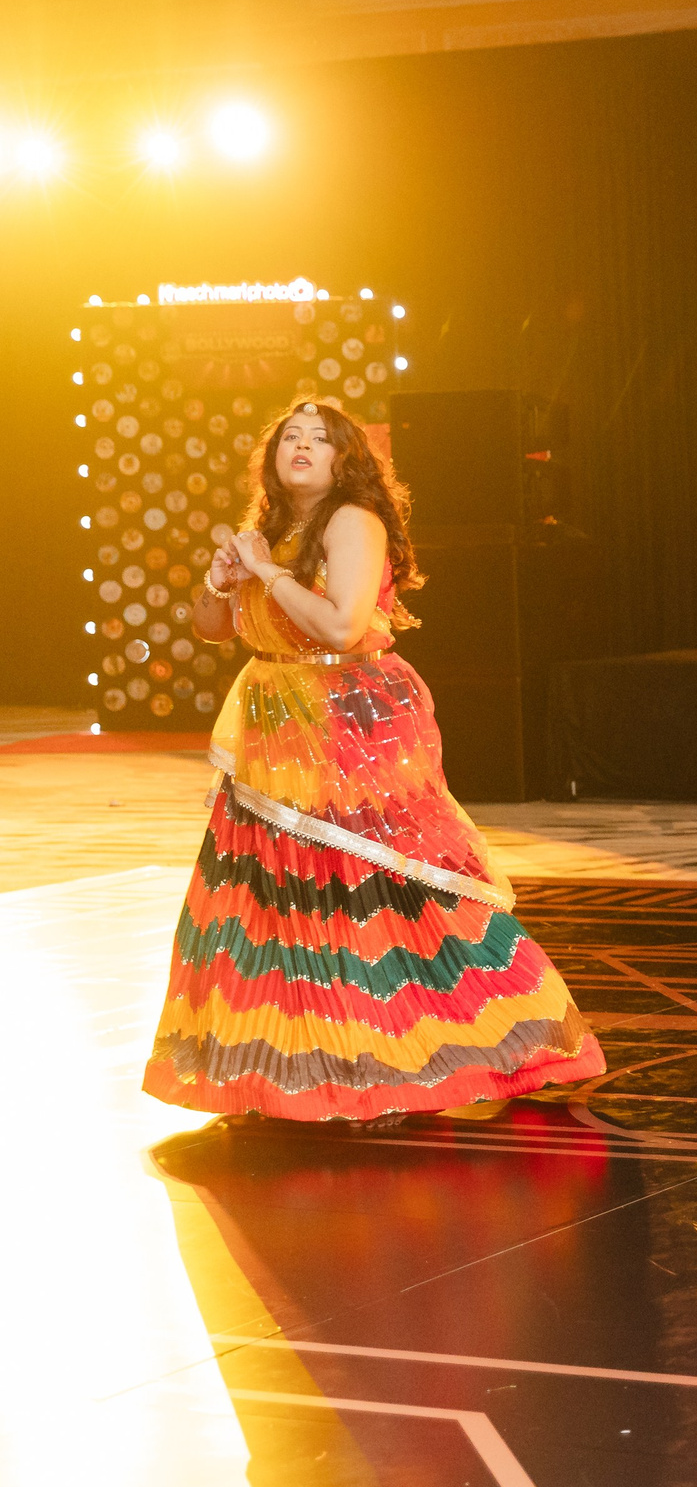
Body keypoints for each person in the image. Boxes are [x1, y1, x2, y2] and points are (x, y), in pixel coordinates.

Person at [143, 400, 604, 1125]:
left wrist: (266, 574)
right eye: (289, 437)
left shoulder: (351, 520)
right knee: (277, 900)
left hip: (351, 725)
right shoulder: (270, 530)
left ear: (344, 458)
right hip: (275, 736)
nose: (300, 447)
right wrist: (221, 577)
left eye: (318, 439)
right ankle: (291, 1069)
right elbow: (212, 628)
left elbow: (343, 624)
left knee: (375, 890)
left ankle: (477, 1042)